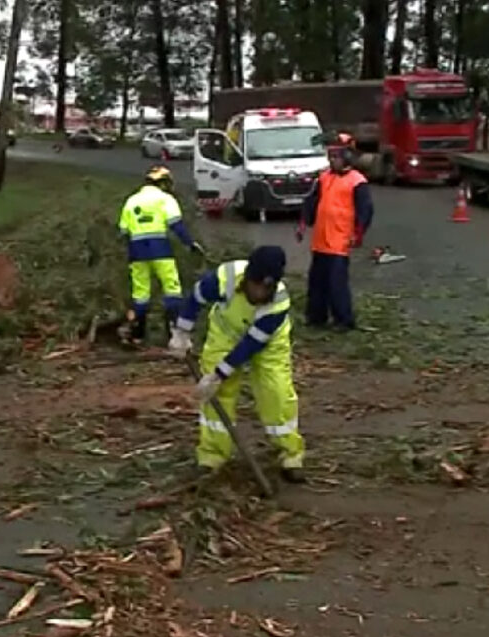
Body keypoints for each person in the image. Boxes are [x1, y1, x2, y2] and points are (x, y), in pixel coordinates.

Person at [171, 246, 306, 483]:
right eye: (256, 285)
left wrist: (218, 374)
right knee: (218, 395)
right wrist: (182, 332)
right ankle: (212, 456)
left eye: (266, 288)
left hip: (268, 344)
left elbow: (250, 346)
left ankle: (290, 454)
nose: (259, 292)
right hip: (225, 333)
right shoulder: (226, 277)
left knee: (276, 392)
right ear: (248, 278)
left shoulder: (278, 304)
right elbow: (195, 298)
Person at [117, 165, 205, 348]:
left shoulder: (131, 201)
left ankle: (137, 335)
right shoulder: (165, 199)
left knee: (140, 294)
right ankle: (174, 335)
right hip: (160, 250)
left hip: (136, 251)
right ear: (163, 183)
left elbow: (123, 231)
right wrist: (190, 244)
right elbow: (177, 226)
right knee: (171, 289)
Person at [296, 132, 374, 331]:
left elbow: (365, 210)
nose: (332, 160)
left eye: (336, 156)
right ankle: (316, 317)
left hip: (339, 241)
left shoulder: (357, 181)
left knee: (336, 283)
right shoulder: (324, 178)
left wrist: (358, 233)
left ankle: (344, 319)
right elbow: (311, 202)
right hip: (321, 239)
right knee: (317, 281)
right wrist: (304, 223)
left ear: (347, 157)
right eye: (330, 156)